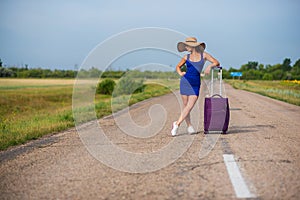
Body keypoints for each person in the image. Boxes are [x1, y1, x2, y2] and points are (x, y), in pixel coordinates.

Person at [171, 37, 220, 136]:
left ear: (193, 46)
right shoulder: (186, 57)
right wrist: (180, 73)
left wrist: (209, 66)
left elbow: (216, 62)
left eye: (187, 45)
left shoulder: (204, 56)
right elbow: (178, 66)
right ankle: (189, 126)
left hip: (195, 83)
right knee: (186, 106)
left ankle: (176, 124)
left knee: (190, 106)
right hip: (185, 81)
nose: (185, 47)